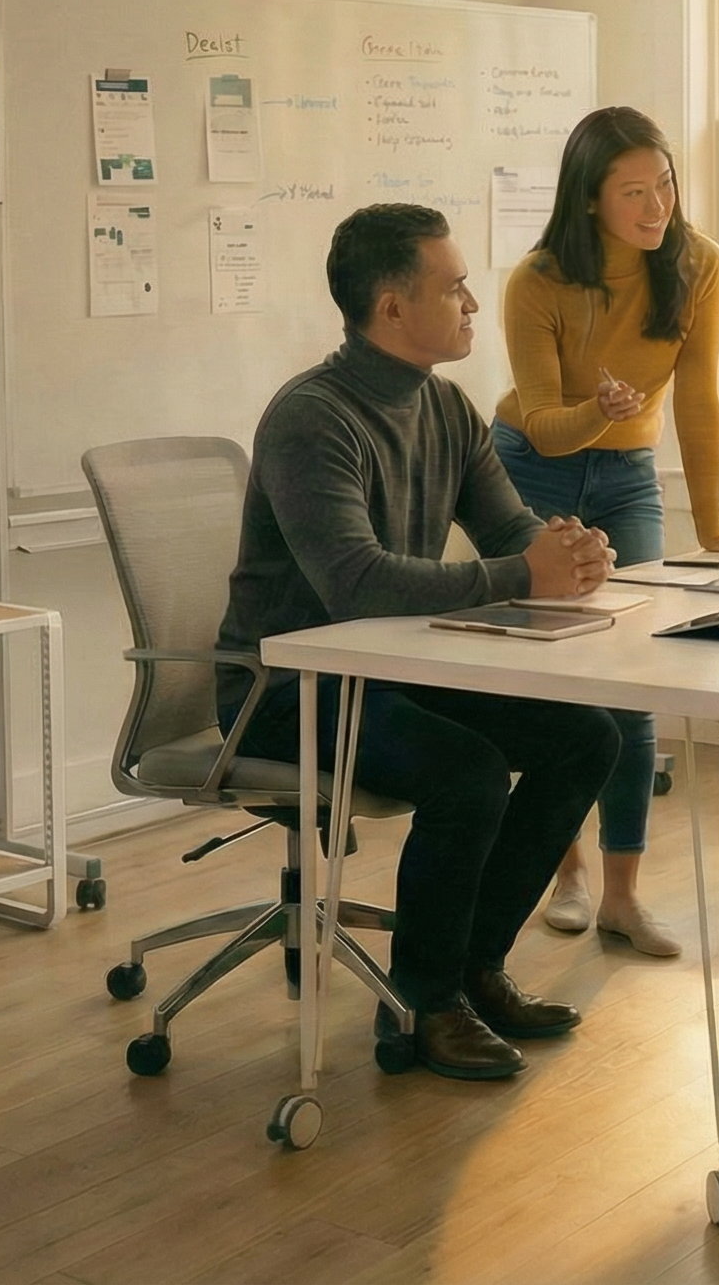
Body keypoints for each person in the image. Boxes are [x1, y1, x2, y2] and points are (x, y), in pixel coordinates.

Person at [215, 202, 623, 1082]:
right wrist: (527, 573)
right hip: (286, 690)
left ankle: (473, 969)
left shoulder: (445, 407)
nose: (474, 303)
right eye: (455, 287)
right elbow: (355, 583)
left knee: (588, 735)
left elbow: (512, 533)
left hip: (385, 675)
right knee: (466, 772)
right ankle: (422, 1005)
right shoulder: (311, 419)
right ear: (393, 307)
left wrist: (571, 552)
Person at [491, 106, 719, 958]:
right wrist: (594, 411)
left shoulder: (697, 264)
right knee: (552, 681)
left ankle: (622, 893)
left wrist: (714, 524)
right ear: (590, 200)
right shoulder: (535, 282)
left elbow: (697, 396)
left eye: (666, 185)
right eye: (634, 192)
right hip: (531, 468)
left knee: (636, 675)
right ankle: (563, 873)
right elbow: (542, 424)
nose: (658, 207)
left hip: (625, 476)